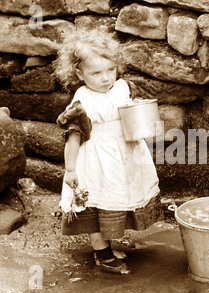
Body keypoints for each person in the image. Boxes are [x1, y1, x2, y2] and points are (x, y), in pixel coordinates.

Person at [53, 29, 163, 274]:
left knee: (117, 197)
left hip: (124, 156)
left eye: (110, 70)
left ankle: (109, 245)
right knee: (97, 202)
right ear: (80, 73)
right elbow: (72, 139)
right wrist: (70, 170)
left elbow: (131, 112)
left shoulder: (122, 87)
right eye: (96, 73)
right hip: (96, 161)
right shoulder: (82, 103)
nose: (105, 78)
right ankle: (102, 254)